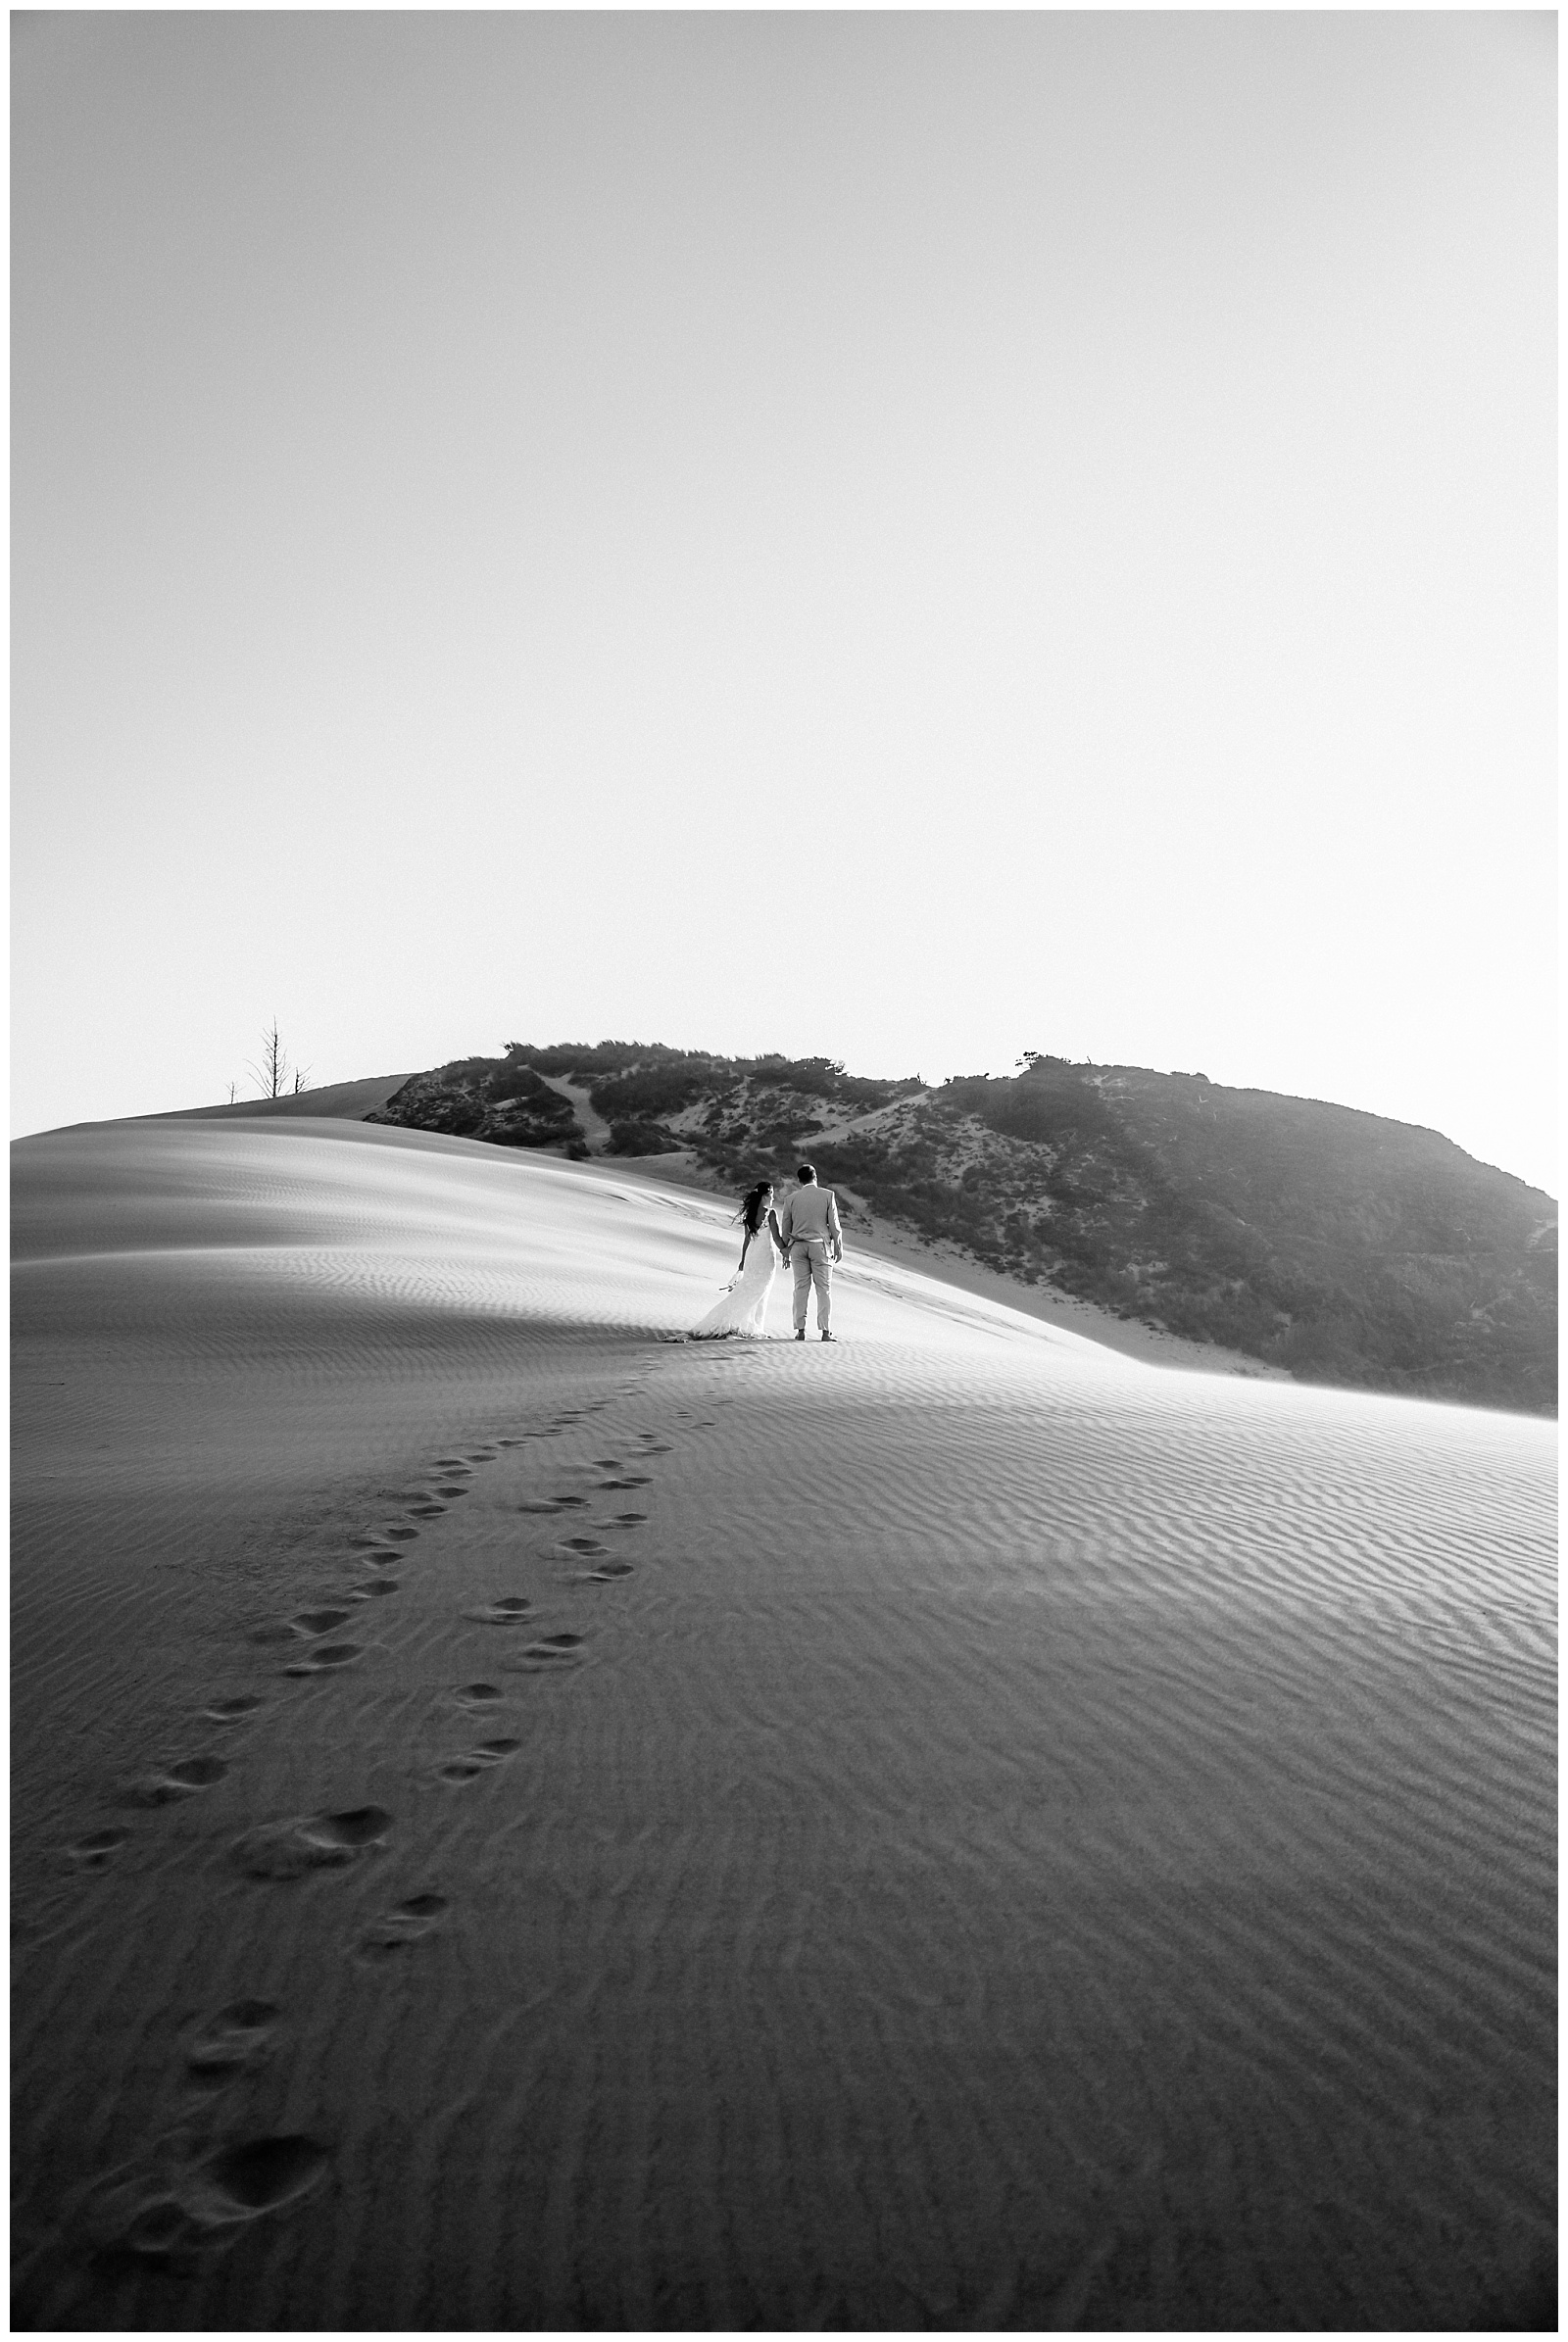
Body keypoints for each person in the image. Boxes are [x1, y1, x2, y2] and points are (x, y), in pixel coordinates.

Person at [688, 1181, 786, 1340]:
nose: (773, 1198)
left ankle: (747, 1324)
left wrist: (742, 1261)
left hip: (751, 1257)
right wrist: (787, 1251)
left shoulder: (750, 1214)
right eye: (771, 1195)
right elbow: (776, 1238)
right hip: (765, 1258)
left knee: (748, 1289)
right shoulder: (771, 1213)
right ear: (764, 1196)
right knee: (761, 1291)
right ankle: (752, 1326)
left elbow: (747, 1241)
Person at [776, 1162, 843, 1342]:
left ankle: (800, 1330)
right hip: (819, 1246)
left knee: (800, 1288)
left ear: (799, 1180)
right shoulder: (828, 1195)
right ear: (815, 1177)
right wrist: (838, 1245)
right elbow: (834, 1224)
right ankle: (825, 1332)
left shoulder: (791, 1199)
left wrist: (785, 1250)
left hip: (797, 1247)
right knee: (823, 1289)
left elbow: (786, 1227)